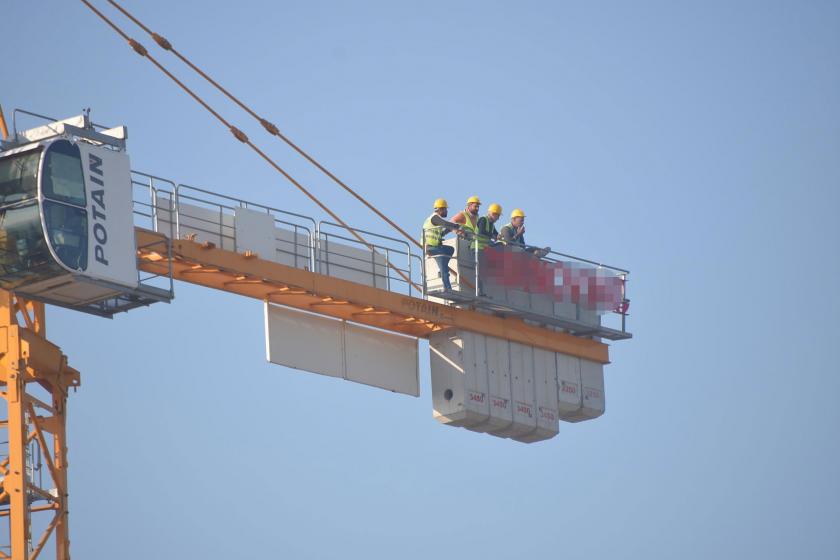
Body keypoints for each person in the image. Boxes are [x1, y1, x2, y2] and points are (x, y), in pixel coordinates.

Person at [422, 198, 462, 291]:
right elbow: (445, 223)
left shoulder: (436, 220)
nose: (446, 211)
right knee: (444, 267)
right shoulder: (435, 217)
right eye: (445, 209)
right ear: (440, 209)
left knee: (450, 249)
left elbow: (442, 233)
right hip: (431, 247)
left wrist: (450, 229)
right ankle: (447, 287)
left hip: (435, 247)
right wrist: (455, 226)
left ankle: (443, 266)